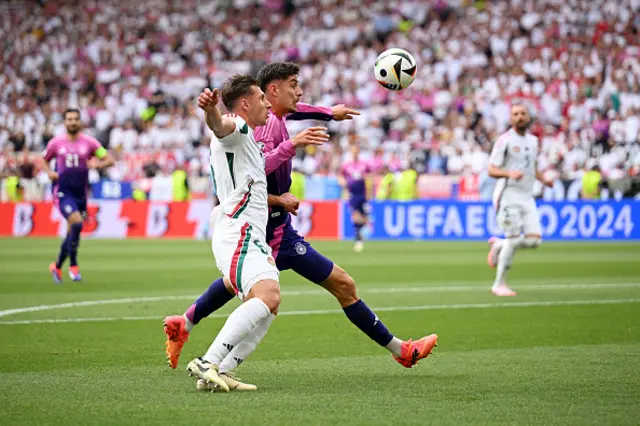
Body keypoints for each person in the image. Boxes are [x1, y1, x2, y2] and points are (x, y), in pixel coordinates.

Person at [164, 62, 438, 380]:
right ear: (271, 92)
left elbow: (290, 113)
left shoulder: (273, 116)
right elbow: (249, 174)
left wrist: (326, 113)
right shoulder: (260, 128)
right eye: (293, 84)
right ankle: (402, 351)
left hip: (267, 225)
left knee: (249, 289)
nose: (300, 91)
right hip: (267, 229)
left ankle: (189, 328)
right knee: (320, 289)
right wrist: (289, 153)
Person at [183, 75, 296, 393]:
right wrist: (211, 111)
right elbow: (221, 126)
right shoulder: (239, 126)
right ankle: (209, 361)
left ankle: (222, 370)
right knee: (268, 296)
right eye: (262, 97)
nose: (266, 103)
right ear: (245, 104)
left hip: (248, 234)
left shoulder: (247, 140)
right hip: (239, 232)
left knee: (269, 305)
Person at [486, 103, 554, 296]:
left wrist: (544, 179)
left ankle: (500, 245)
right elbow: (491, 169)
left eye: (523, 113)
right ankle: (499, 284)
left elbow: (532, 167)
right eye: (516, 114)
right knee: (514, 239)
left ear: (529, 116)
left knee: (535, 241)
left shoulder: (533, 141)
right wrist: (508, 173)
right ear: (511, 118)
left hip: (527, 196)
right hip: (508, 195)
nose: (520, 117)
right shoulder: (505, 140)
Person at [42, 108, 114, 283]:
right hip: (62, 191)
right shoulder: (56, 143)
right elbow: (44, 160)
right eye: (69, 119)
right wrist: (49, 172)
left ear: (80, 122)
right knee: (76, 222)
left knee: (73, 231)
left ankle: (57, 266)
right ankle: (73, 266)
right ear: (65, 122)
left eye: (75, 119)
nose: (72, 122)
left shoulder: (89, 142)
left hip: (80, 193)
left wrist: (97, 165)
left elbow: (109, 160)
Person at [339, 144, 371, 252]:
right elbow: (341, 177)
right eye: (353, 151)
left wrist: (369, 193)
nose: (355, 152)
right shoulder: (346, 165)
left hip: (362, 193)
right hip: (352, 194)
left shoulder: (364, 165)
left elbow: (368, 179)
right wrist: (344, 187)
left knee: (364, 217)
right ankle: (358, 239)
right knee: (355, 216)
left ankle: (361, 231)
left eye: (356, 150)